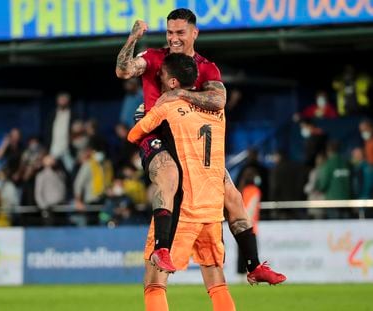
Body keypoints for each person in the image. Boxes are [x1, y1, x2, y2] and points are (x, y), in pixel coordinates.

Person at [116, 8, 285, 284]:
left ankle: (254, 266)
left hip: (191, 142)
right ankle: (162, 248)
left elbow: (218, 100)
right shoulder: (154, 57)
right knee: (168, 174)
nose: (174, 38)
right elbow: (123, 70)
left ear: (194, 33)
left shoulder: (207, 67)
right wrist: (133, 37)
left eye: (180, 32)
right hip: (156, 135)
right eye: (170, 32)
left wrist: (177, 95)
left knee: (231, 194)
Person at [128, 53, 236, 311]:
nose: (159, 80)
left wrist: (142, 119)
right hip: (210, 207)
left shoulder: (168, 107)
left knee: (155, 282)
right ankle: (254, 262)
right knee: (216, 280)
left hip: (180, 206)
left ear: (173, 82)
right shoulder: (216, 111)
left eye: (162, 76)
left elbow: (135, 135)